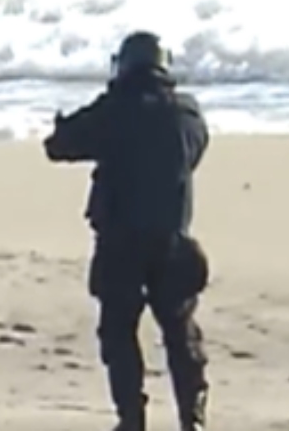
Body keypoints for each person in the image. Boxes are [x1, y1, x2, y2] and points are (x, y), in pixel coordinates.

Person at [43, 31, 211, 431]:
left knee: (119, 335)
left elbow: (59, 145)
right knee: (181, 334)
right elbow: (194, 151)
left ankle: (131, 420)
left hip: (120, 245)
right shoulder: (187, 114)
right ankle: (194, 418)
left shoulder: (114, 110)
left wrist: (67, 123)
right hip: (173, 241)